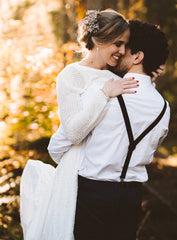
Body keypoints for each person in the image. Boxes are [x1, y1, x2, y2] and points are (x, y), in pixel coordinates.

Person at [20, 9, 140, 240]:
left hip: (112, 179)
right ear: (98, 39)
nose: (122, 51)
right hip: (77, 176)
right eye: (117, 44)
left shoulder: (120, 77)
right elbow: (74, 132)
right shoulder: (71, 75)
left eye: (125, 45)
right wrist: (104, 94)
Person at [47, 20, 170, 240]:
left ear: (137, 57)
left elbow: (57, 145)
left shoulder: (102, 92)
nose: (119, 53)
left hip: (91, 193)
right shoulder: (163, 108)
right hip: (132, 196)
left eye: (125, 48)